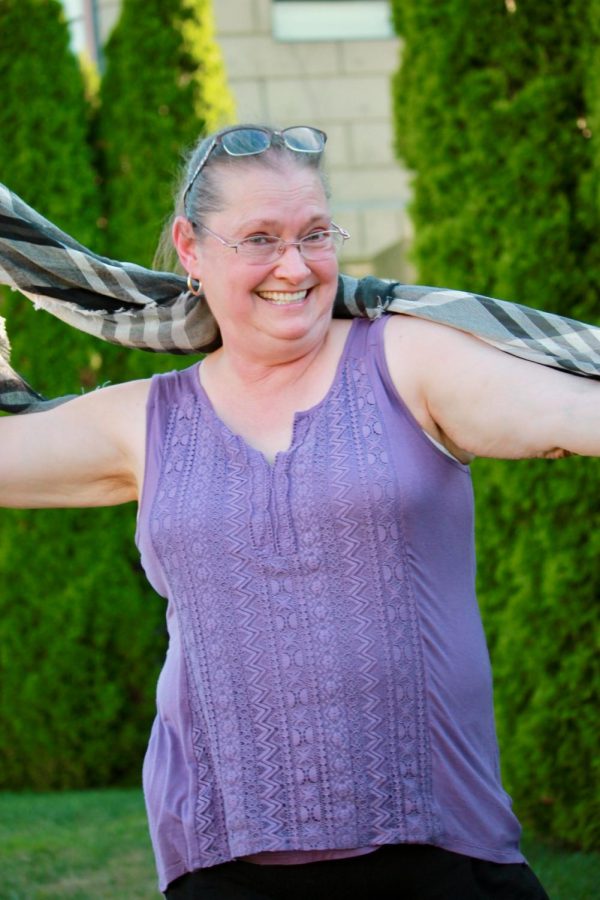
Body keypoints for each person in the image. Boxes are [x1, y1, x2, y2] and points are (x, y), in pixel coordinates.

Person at [2, 123, 598, 900]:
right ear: (190, 247)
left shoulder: (411, 360)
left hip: (441, 856)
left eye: (315, 234)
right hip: (222, 866)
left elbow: (572, 411)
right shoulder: (144, 420)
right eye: (259, 238)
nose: (294, 265)